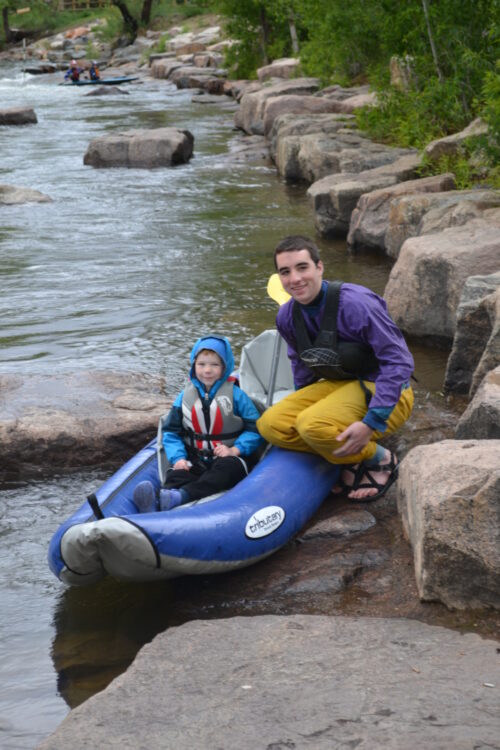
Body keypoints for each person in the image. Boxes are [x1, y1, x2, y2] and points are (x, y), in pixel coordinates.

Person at [257, 235, 415, 502]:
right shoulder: (286, 317)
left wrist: (371, 422)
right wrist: (304, 401)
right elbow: (300, 363)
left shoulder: (357, 303)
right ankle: (343, 456)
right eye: (285, 272)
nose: (294, 279)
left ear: (319, 267)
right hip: (339, 385)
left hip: (387, 391)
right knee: (271, 425)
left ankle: (381, 459)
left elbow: (399, 362)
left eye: (302, 267)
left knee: (312, 425)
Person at [133, 335, 265, 512]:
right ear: (194, 366)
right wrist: (178, 458)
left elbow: (254, 430)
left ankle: (180, 497)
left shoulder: (237, 395)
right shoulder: (184, 397)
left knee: (223, 472)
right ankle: (157, 501)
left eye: (214, 365)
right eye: (201, 364)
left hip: (229, 459)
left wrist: (234, 450)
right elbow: (170, 432)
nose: (207, 370)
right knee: (177, 473)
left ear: (225, 367)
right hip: (196, 459)